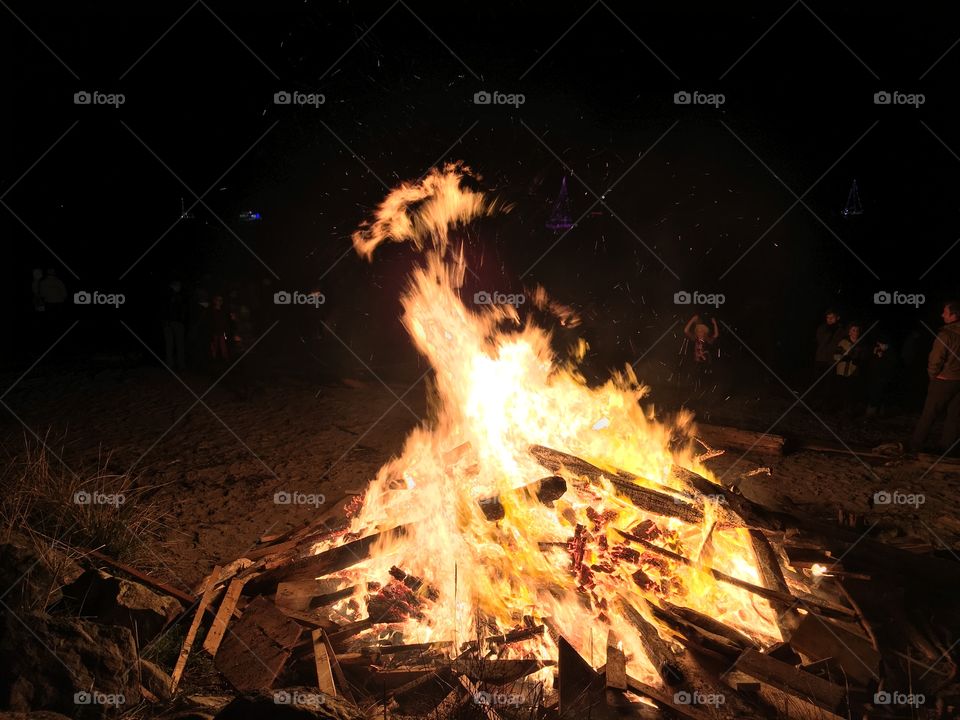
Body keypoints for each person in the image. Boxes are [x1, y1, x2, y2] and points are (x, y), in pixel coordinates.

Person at [909, 300, 960, 454]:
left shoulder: (946, 335)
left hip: (944, 381)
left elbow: (935, 359)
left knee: (929, 414)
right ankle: (947, 448)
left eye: (945, 312)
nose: (942, 314)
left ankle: (915, 445)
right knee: (955, 417)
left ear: (954, 315)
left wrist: (933, 376)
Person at [830, 322, 865, 414]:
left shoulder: (860, 345)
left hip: (853, 372)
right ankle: (836, 409)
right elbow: (836, 356)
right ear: (849, 332)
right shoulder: (843, 342)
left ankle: (848, 411)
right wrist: (842, 355)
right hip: (842, 371)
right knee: (840, 391)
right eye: (853, 330)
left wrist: (856, 358)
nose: (855, 332)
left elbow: (862, 359)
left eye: (857, 330)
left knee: (850, 393)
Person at [683, 313, 719, 396]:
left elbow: (716, 335)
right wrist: (692, 319)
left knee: (704, 379)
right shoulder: (694, 338)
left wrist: (714, 324)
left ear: (705, 333)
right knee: (695, 378)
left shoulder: (707, 339)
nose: (699, 333)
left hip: (705, 363)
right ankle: (695, 394)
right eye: (698, 331)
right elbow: (685, 330)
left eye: (701, 331)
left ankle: (706, 394)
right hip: (696, 362)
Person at [863, 337, 897, 418]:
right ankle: (873, 414)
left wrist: (881, 358)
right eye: (879, 344)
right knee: (874, 396)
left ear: (886, 345)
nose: (879, 346)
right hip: (874, 379)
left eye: (881, 344)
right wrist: (875, 355)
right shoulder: (878, 352)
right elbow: (871, 364)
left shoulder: (890, 354)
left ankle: (872, 414)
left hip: (883, 380)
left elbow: (889, 367)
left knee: (878, 397)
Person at [161, 280, 186, 372]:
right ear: (174, 286)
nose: (179, 287)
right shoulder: (176, 296)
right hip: (174, 323)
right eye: (178, 285)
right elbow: (181, 310)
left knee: (171, 345)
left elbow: (163, 310)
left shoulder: (166, 295)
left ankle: (171, 365)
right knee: (178, 344)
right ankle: (179, 365)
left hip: (170, 323)